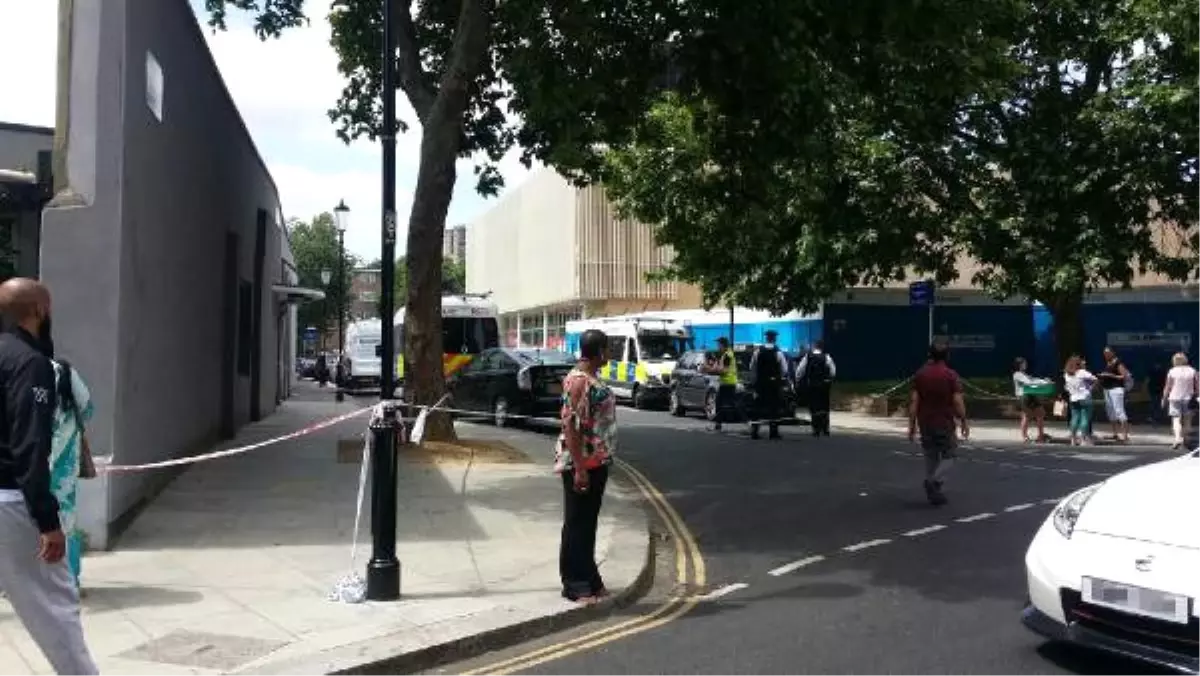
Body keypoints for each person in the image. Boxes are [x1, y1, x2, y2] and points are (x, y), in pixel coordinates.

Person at [0, 278, 98, 673]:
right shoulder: (31, 364)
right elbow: (28, 446)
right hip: (13, 503)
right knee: (56, 610)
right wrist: (47, 520)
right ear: (39, 310)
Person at [555, 329, 617, 604]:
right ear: (600, 352)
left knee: (588, 523)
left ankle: (591, 579)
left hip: (596, 460)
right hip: (581, 462)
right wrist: (579, 467)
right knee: (577, 523)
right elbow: (570, 425)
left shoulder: (591, 379)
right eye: (608, 349)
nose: (610, 354)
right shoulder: (578, 381)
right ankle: (574, 584)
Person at [49, 359, 96, 591]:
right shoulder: (65, 371)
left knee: (26, 517)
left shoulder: (17, 367)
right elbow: (87, 409)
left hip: (27, 461)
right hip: (64, 463)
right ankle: (70, 579)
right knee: (67, 519)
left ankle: (24, 581)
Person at [909, 341, 969, 506]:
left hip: (924, 421)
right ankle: (933, 482)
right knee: (950, 454)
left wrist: (911, 425)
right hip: (944, 421)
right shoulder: (951, 375)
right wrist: (964, 420)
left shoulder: (920, 375)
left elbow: (914, 402)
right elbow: (957, 401)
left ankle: (934, 491)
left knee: (931, 455)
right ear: (947, 356)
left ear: (930, 355)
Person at [748, 330, 789, 440]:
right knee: (774, 407)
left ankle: (755, 431)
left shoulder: (758, 352)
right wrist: (779, 377)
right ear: (775, 339)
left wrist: (755, 380)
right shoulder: (778, 352)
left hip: (761, 383)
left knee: (757, 407)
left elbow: (752, 367)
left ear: (766, 338)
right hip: (774, 384)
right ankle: (773, 432)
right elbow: (784, 369)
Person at [797, 340, 836, 436]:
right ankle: (825, 429)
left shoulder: (808, 357)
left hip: (812, 385)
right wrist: (829, 379)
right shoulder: (827, 357)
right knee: (824, 407)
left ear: (814, 347)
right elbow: (832, 372)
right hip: (823, 386)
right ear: (822, 348)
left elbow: (800, 371)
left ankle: (816, 429)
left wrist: (798, 380)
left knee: (814, 407)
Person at [1161, 352, 1197, 450]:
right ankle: (1186, 439)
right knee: (1187, 420)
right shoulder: (1192, 371)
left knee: (1176, 419)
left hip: (1174, 397)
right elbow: (1198, 387)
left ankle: (1177, 438)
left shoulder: (1172, 371)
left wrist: (1164, 398)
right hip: (1189, 398)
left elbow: (1167, 387)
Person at [702, 337, 738, 432]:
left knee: (720, 404)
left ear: (723, 345)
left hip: (727, 383)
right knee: (726, 404)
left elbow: (724, 371)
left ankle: (748, 422)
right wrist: (711, 368)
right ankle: (718, 425)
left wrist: (709, 370)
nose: (718, 346)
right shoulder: (726, 354)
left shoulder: (727, 355)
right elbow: (720, 368)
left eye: (719, 344)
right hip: (728, 383)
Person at [1098, 347, 1131, 443]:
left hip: (1116, 389)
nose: (1106, 355)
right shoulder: (1108, 363)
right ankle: (1115, 433)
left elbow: (1124, 376)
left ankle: (1125, 435)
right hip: (1107, 390)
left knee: (1119, 411)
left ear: (1113, 353)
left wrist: (1110, 376)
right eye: (1104, 353)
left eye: (1108, 352)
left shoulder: (1118, 363)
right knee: (1110, 412)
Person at [1063, 355, 1097, 446]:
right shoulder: (1082, 372)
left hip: (1073, 398)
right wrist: (1090, 388)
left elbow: (1067, 387)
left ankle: (1073, 439)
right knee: (1085, 418)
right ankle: (1083, 439)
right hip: (1084, 397)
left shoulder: (1066, 374)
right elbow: (1095, 379)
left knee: (1074, 418)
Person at [1012, 357, 1046, 444]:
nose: (1026, 364)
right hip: (1024, 397)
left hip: (1032, 395)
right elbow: (1029, 382)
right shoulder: (1017, 374)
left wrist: (1044, 381)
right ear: (1019, 365)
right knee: (1026, 416)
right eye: (1024, 363)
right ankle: (1025, 436)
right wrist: (1042, 383)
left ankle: (1041, 436)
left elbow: (1033, 380)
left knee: (1041, 414)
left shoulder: (1024, 374)